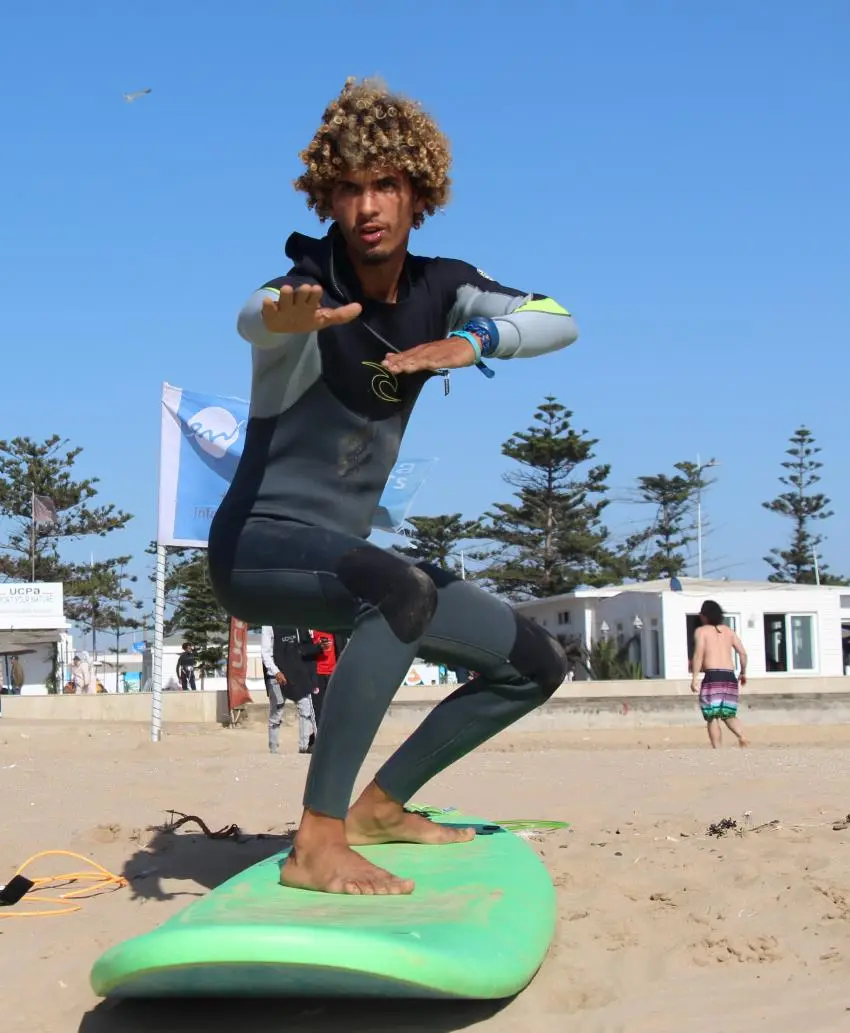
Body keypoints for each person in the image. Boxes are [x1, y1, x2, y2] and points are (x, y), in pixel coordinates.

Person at [208, 77, 580, 896]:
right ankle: (318, 837)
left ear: (418, 193)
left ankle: (381, 806)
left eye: (385, 185)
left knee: (532, 663)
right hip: (257, 547)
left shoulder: (443, 287)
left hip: (340, 552)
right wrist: (285, 321)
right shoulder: (306, 289)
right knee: (400, 590)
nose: (367, 205)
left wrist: (473, 340)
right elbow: (253, 314)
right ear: (328, 199)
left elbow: (559, 318)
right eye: (348, 187)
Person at [690, 600, 750, 748]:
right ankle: (742, 736)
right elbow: (742, 653)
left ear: (704, 616)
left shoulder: (701, 631)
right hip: (729, 676)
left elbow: (698, 655)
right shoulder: (728, 631)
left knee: (712, 716)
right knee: (728, 713)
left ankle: (718, 750)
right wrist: (743, 672)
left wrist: (694, 677)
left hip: (712, 676)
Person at [263, 626, 320, 755]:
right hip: (276, 678)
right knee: (276, 713)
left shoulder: (296, 623)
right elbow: (265, 653)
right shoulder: (268, 625)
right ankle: (273, 750)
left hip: (296, 677)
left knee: (305, 709)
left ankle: (304, 747)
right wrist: (276, 672)